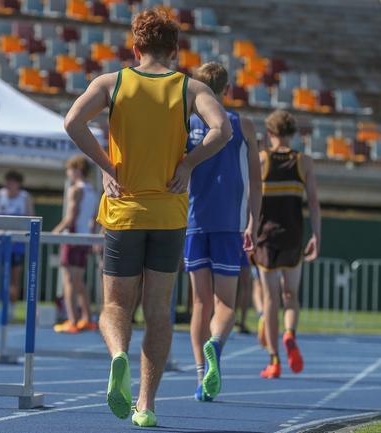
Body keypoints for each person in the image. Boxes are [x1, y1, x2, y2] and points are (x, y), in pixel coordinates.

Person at [63, 7, 232, 427]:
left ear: (134, 48)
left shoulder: (112, 82)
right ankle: (146, 405)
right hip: (169, 213)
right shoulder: (188, 87)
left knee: (116, 304)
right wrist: (190, 163)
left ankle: (118, 353)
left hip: (124, 210)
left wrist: (106, 165)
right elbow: (222, 129)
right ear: (174, 51)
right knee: (158, 310)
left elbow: (72, 122)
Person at [183, 62, 261, 402]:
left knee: (199, 302)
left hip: (194, 220)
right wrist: (253, 221)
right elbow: (257, 180)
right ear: (226, 89)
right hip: (230, 222)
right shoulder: (242, 124)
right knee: (225, 303)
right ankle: (216, 344)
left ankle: (201, 375)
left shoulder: (187, 123)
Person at [256, 110, 321, 379]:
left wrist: (247, 229)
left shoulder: (262, 160)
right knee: (290, 296)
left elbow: (250, 199)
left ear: (270, 134)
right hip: (293, 235)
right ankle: (290, 334)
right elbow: (314, 203)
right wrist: (316, 236)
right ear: (293, 134)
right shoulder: (303, 161)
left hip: (266, 237)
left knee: (270, 300)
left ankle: (274, 361)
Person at [52, 156, 99, 333]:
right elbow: (94, 220)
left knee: (69, 280)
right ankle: (86, 318)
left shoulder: (75, 190)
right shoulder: (92, 191)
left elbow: (70, 218)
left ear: (77, 170)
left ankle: (72, 320)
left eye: (69, 170)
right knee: (79, 281)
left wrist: (54, 233)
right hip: (85, 238)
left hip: (72, 238)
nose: (68, 173)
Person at [0, 170, 34, 320]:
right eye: (8, 182)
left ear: (18, 184)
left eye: (13, 182)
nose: (9, 185)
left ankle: (11, 310)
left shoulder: (25, 198)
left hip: (17, 243)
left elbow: (31, 218)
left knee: (14, 278)